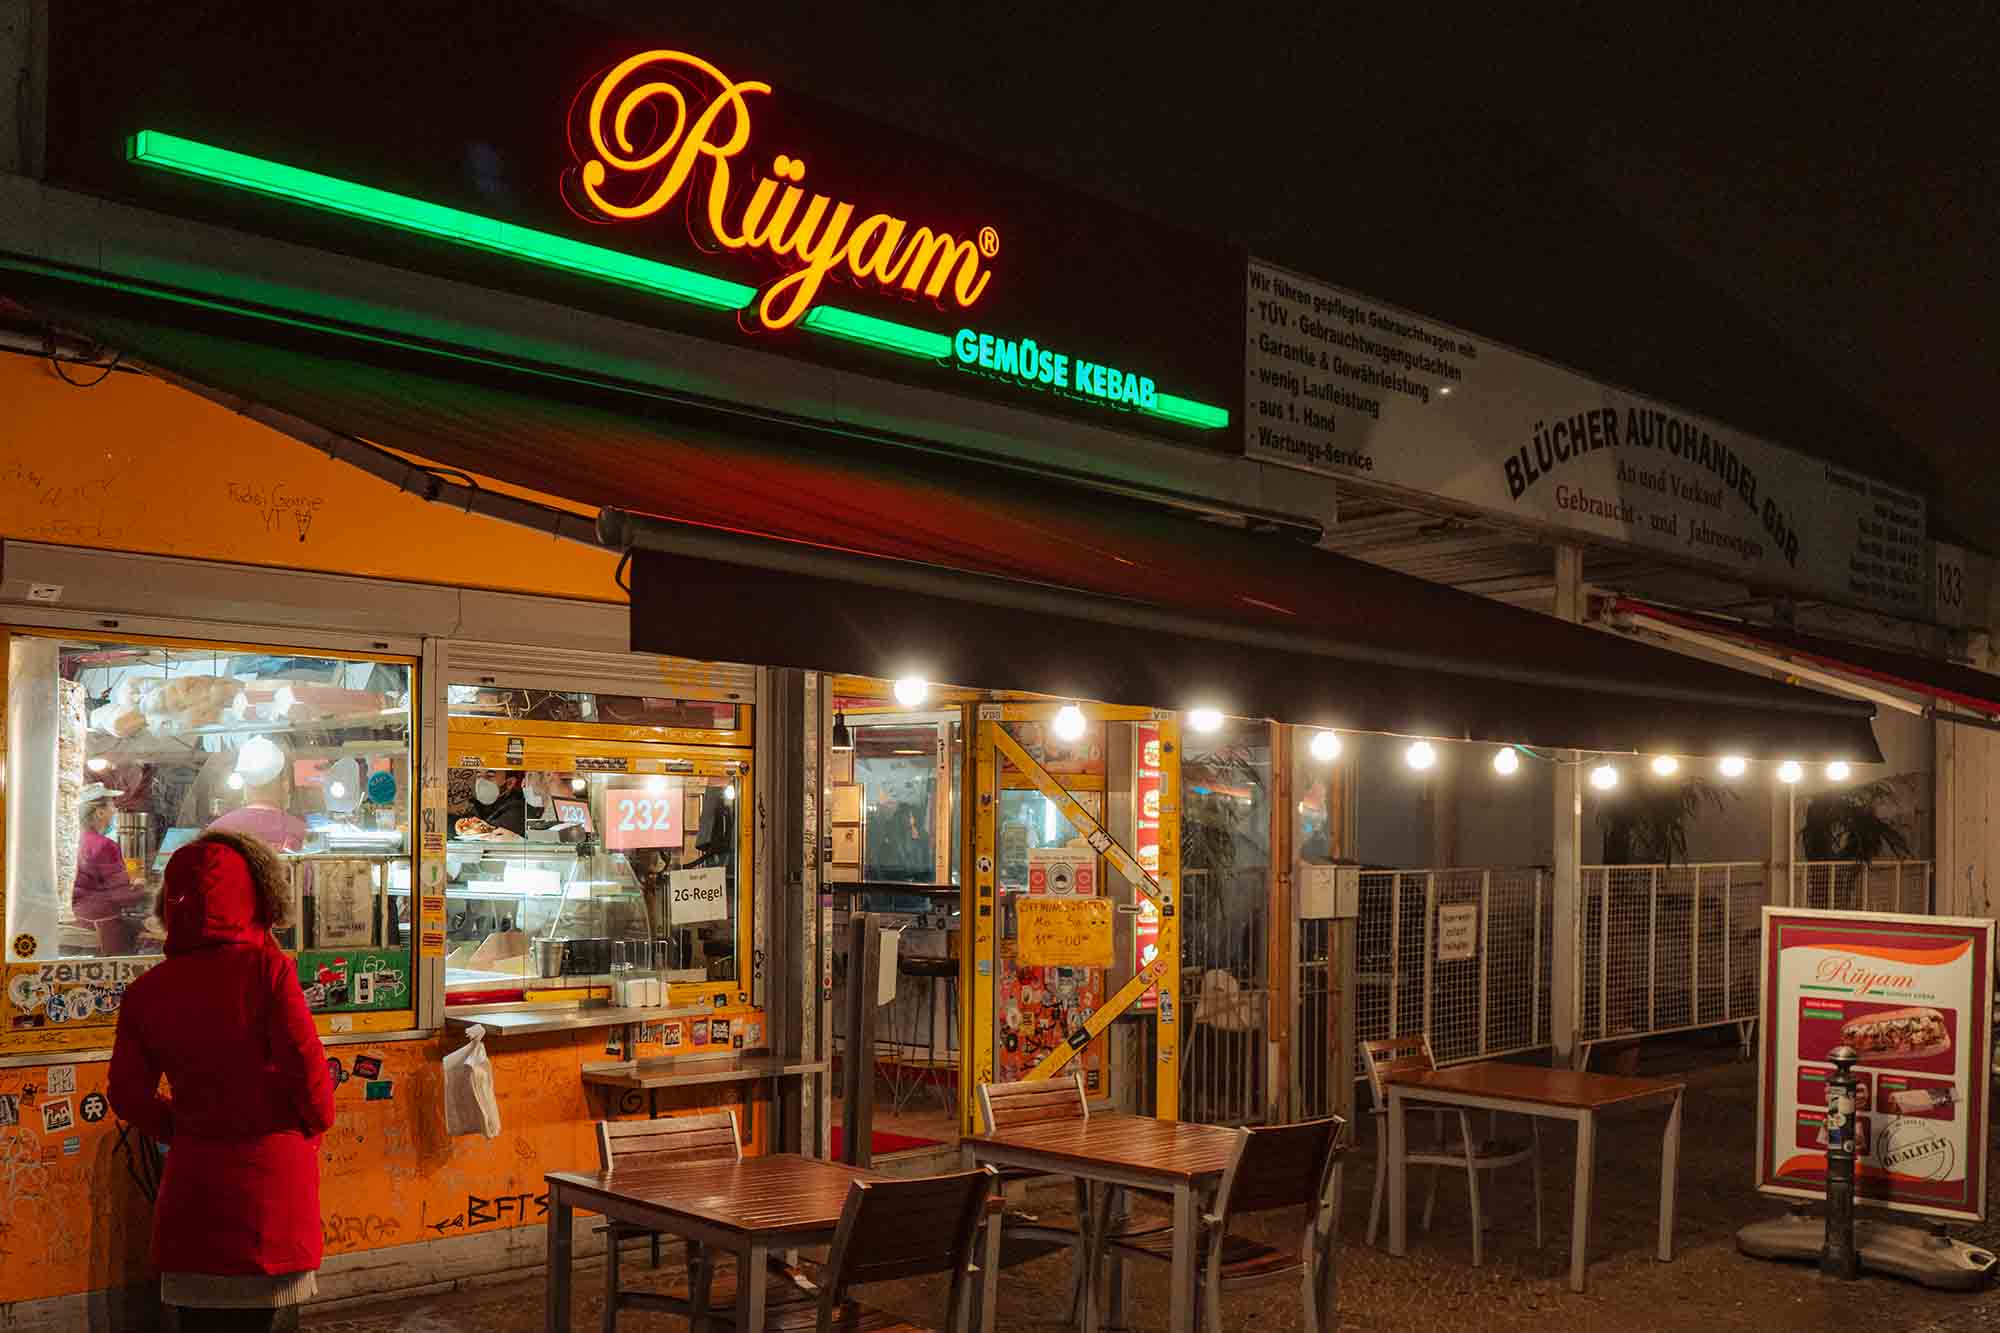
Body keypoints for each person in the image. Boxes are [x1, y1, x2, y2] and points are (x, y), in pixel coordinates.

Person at [109, 831, 335, 1332]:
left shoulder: (147, 990)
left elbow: (126, 1094)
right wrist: (306, 1127)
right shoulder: (269, 971)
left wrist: (180, 1127)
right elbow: (310, 1077)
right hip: (272, 1187)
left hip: (192, 1185)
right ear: (258, 894)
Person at [73, 784, 145, 955]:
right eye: (112, 805)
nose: (115, 810)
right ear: (100, 812)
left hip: (79, 921)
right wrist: (143, 887)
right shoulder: (105, 845)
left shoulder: (75, 841)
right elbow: (121, 895)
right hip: (103, 929)